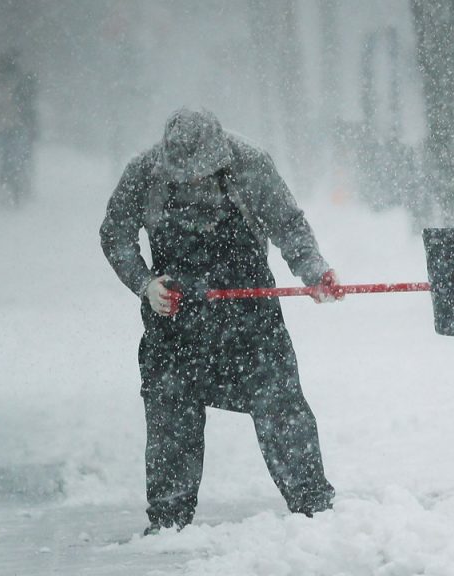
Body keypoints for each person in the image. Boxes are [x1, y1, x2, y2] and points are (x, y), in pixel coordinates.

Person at [100, 108, 341, 534]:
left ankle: (314, 509)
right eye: (184, 178)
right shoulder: (142, 173)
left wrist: (314, 270)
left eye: (202, 176)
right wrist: (145, 283)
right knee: (171, 419)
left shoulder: (251, 164)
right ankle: (169, 522)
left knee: (281, 407)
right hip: (174, 323)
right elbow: (115, 235)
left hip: (250, 321)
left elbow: (288, 224)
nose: (193, 184)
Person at [0, 48, 38, 206]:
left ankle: (9, 186)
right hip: (12, 125)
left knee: (7, 159)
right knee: (14, 158)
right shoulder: (19, 81)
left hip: (4, 126)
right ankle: (13, 186)